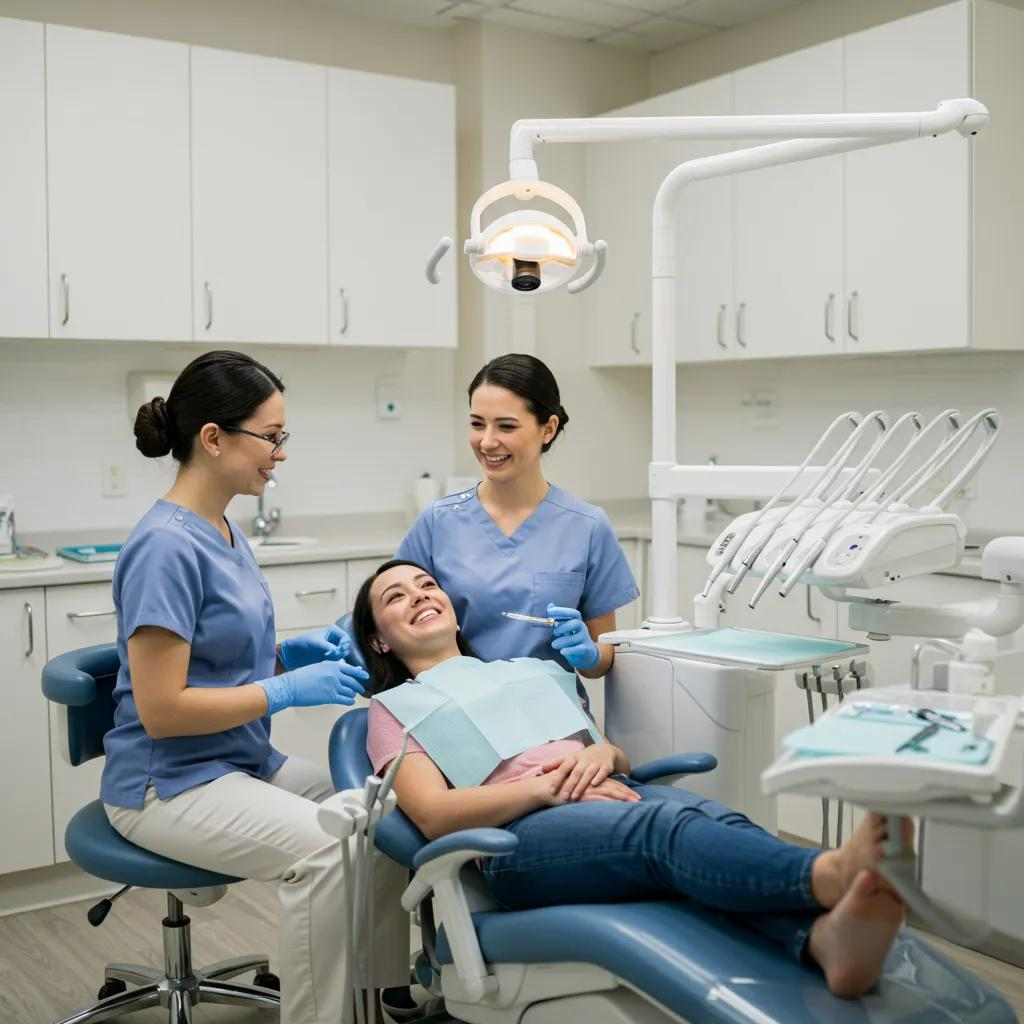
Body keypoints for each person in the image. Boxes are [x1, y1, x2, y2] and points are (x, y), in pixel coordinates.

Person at [353, 559, 910, 1000]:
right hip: (516, 839)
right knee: (662, 829)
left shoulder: (529, 672)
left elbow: (610, 754)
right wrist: (545, 788)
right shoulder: (394, 709)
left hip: (605, 799)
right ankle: (827, 873)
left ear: (454, 611)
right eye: (396, 597)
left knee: (712, 817)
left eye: (427, 585)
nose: (419, 596)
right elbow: (433, 815)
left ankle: (820, 941)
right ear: (380, 641)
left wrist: (603, 754)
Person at [101, 350, 408, 1024]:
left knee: (384, 812)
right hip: (169, 783)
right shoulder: (164, 547)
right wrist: (289, 689)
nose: (281, 453)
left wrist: (284, 655)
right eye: (271, 437)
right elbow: (163, 710)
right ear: (214, 438)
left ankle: (376, 998)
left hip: (237, 760)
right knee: (327, 850)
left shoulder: (223, 528)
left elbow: (214, 658)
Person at [396, 353, 638, 679]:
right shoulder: (438, 522)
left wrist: (590, 654)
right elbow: (389, 620)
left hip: (549, 706)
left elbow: (602, 662)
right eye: (477, 424)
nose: (487, 441)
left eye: (506, 426)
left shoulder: (587, 526)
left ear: (548, 429)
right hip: (459, 702)